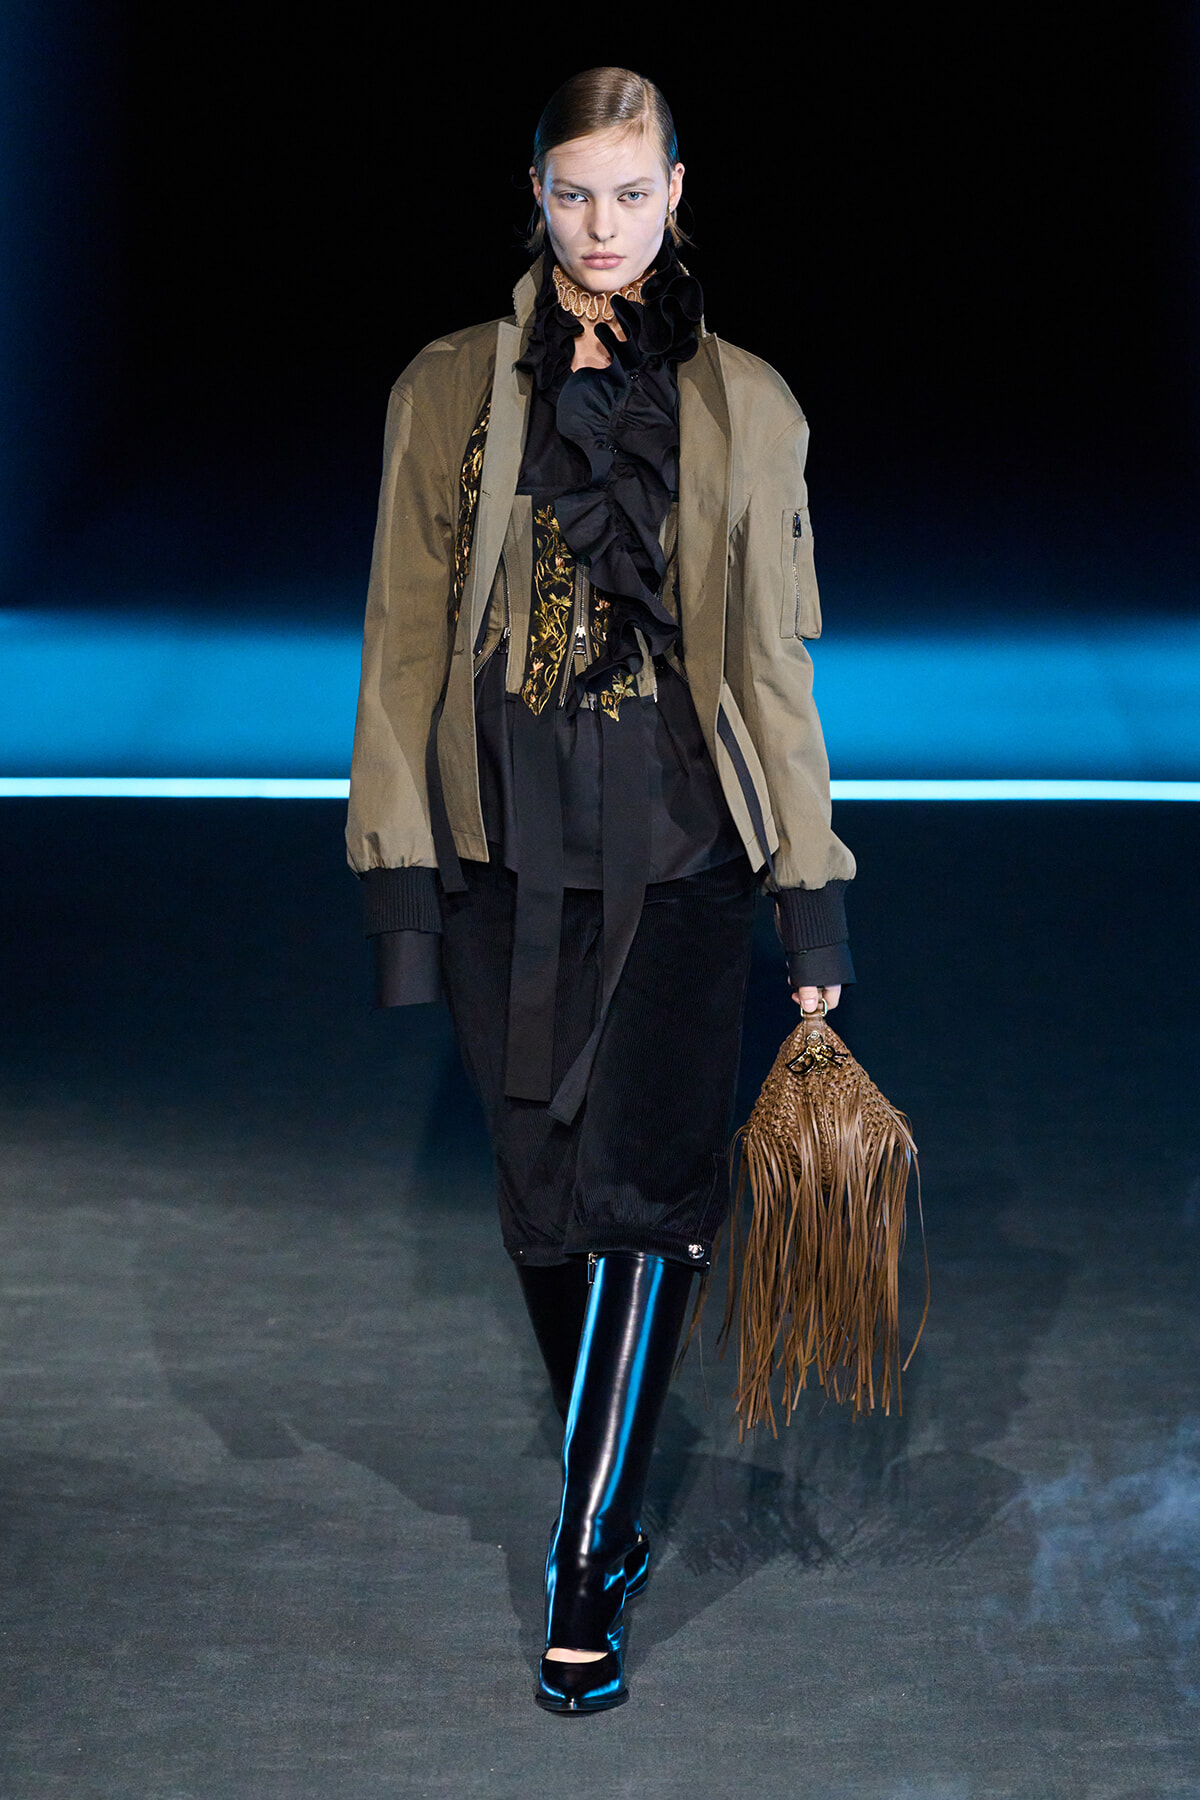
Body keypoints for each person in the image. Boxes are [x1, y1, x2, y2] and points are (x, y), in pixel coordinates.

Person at [345, 67, 855, 1715]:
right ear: (541, 196)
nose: (604, 226)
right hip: (503, 851)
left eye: (632, 195)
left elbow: (773, 674)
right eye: (576, 195)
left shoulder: (748, 405)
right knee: (540, 1207)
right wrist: (401, 881)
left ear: (679, 194)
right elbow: (402, 642)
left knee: (643, 1200)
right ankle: (618, 1469)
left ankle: (586, 1556)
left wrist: (811, 899)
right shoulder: (449, 391)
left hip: (689, 858)